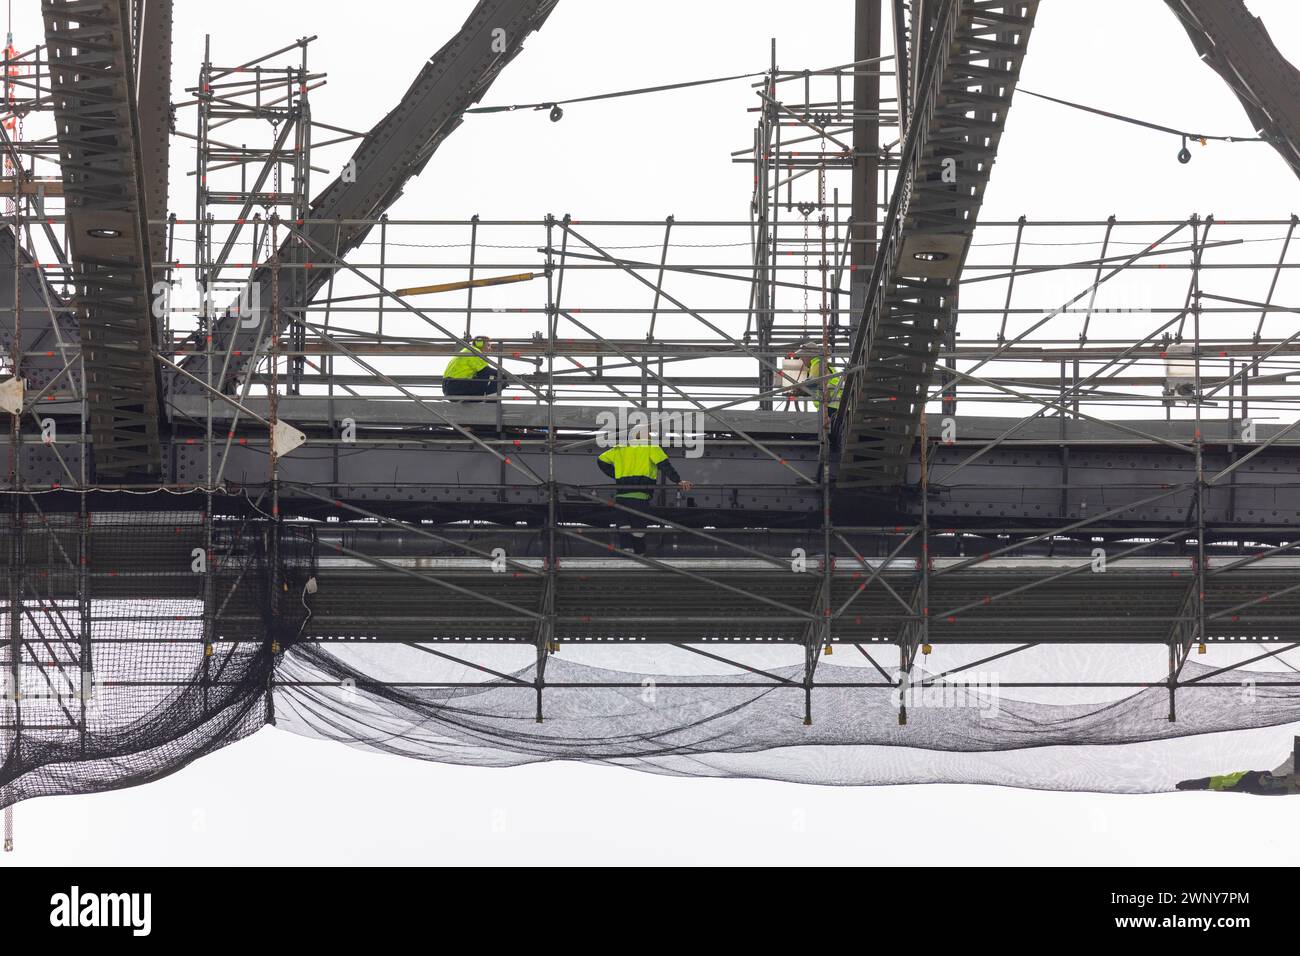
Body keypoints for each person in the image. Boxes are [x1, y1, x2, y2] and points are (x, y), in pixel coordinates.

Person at [596, 424, 693, 555]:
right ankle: (640, 553)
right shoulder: (651, 447)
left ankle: (627, 551)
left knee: (623, 525)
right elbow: (665, 466)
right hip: (641, 496)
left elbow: (601, 460)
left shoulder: (621, 448)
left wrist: (616, 474)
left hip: (621, 496)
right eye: (648, 432)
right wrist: (678, 481)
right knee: (638, 528)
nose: (649, 435)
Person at [1175, 737, 1298, 795]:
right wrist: (1187, 784)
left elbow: (1210, 782)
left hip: (1266, 782)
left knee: (1289, 773)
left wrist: (1187, 784)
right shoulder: (1229, 782)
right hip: (1266, 783)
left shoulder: (1231, 782)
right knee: (1289, 774)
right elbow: (1209, 782)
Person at [442, 335, 501, 400]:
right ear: (479, 344)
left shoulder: (467, 351)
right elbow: (485, 370)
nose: (490, 349)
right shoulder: (474, 352)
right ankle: (488, 400)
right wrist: (503, 374)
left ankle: (480, 399)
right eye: (488, 345)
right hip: (456, 385)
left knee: (488, 376)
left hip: (450, 387)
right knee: (490, 377)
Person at [797, 347, 843, 411]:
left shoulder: (817, 363)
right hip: (833, 403)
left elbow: (813, 382)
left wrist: (799, 387)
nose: (803, 361)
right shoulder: (821, 363)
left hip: (830, 404)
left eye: (803, 357)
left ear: (809, 355)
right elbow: (816, 385)